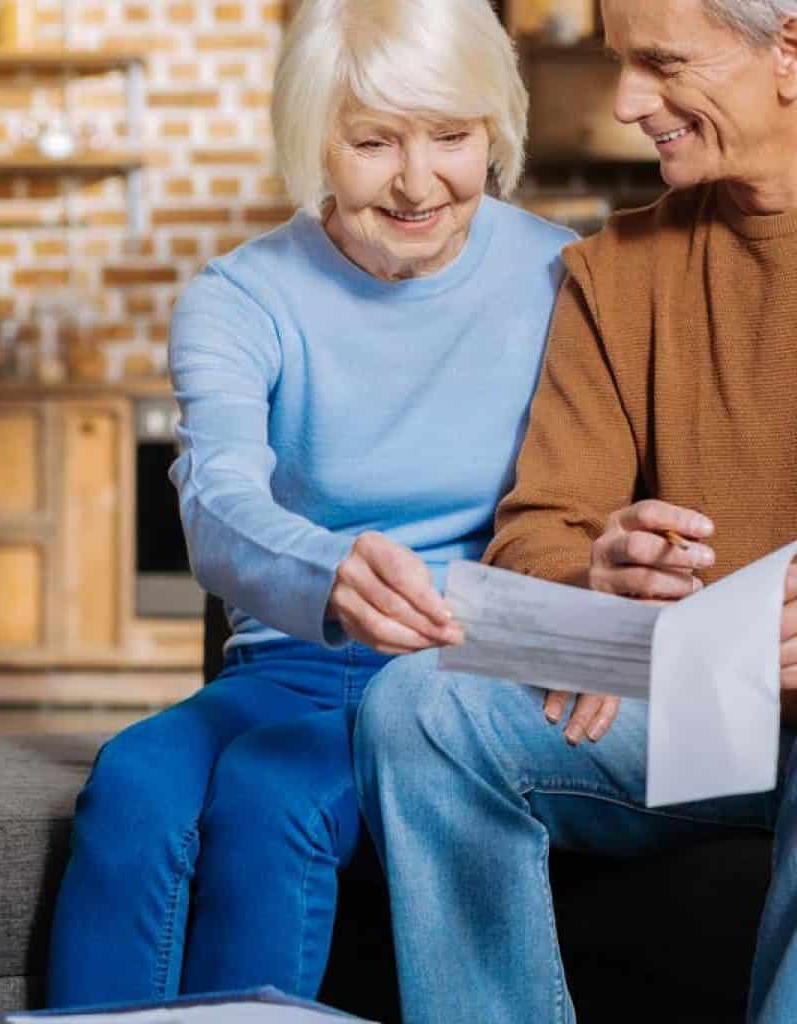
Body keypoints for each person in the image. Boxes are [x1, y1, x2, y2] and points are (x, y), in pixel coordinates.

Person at [45, 0, 575, 1009]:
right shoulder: (239, 296)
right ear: (313, 141)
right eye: (373, 141)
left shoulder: (564, 275)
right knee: (134, 787)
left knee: (275, 793)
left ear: (495, 133)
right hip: (292, 657)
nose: (418, 183)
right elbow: (219, 496)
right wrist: (325, 573)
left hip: (461, 675)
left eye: (452, 138)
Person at [354, 0, 797, 1021]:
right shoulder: (618, 269)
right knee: (416, 705)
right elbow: (536, 531)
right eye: (617, 62)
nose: (629, 101)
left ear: (787, 50)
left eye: (661, 63)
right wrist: (591, 580)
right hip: (685, 704)